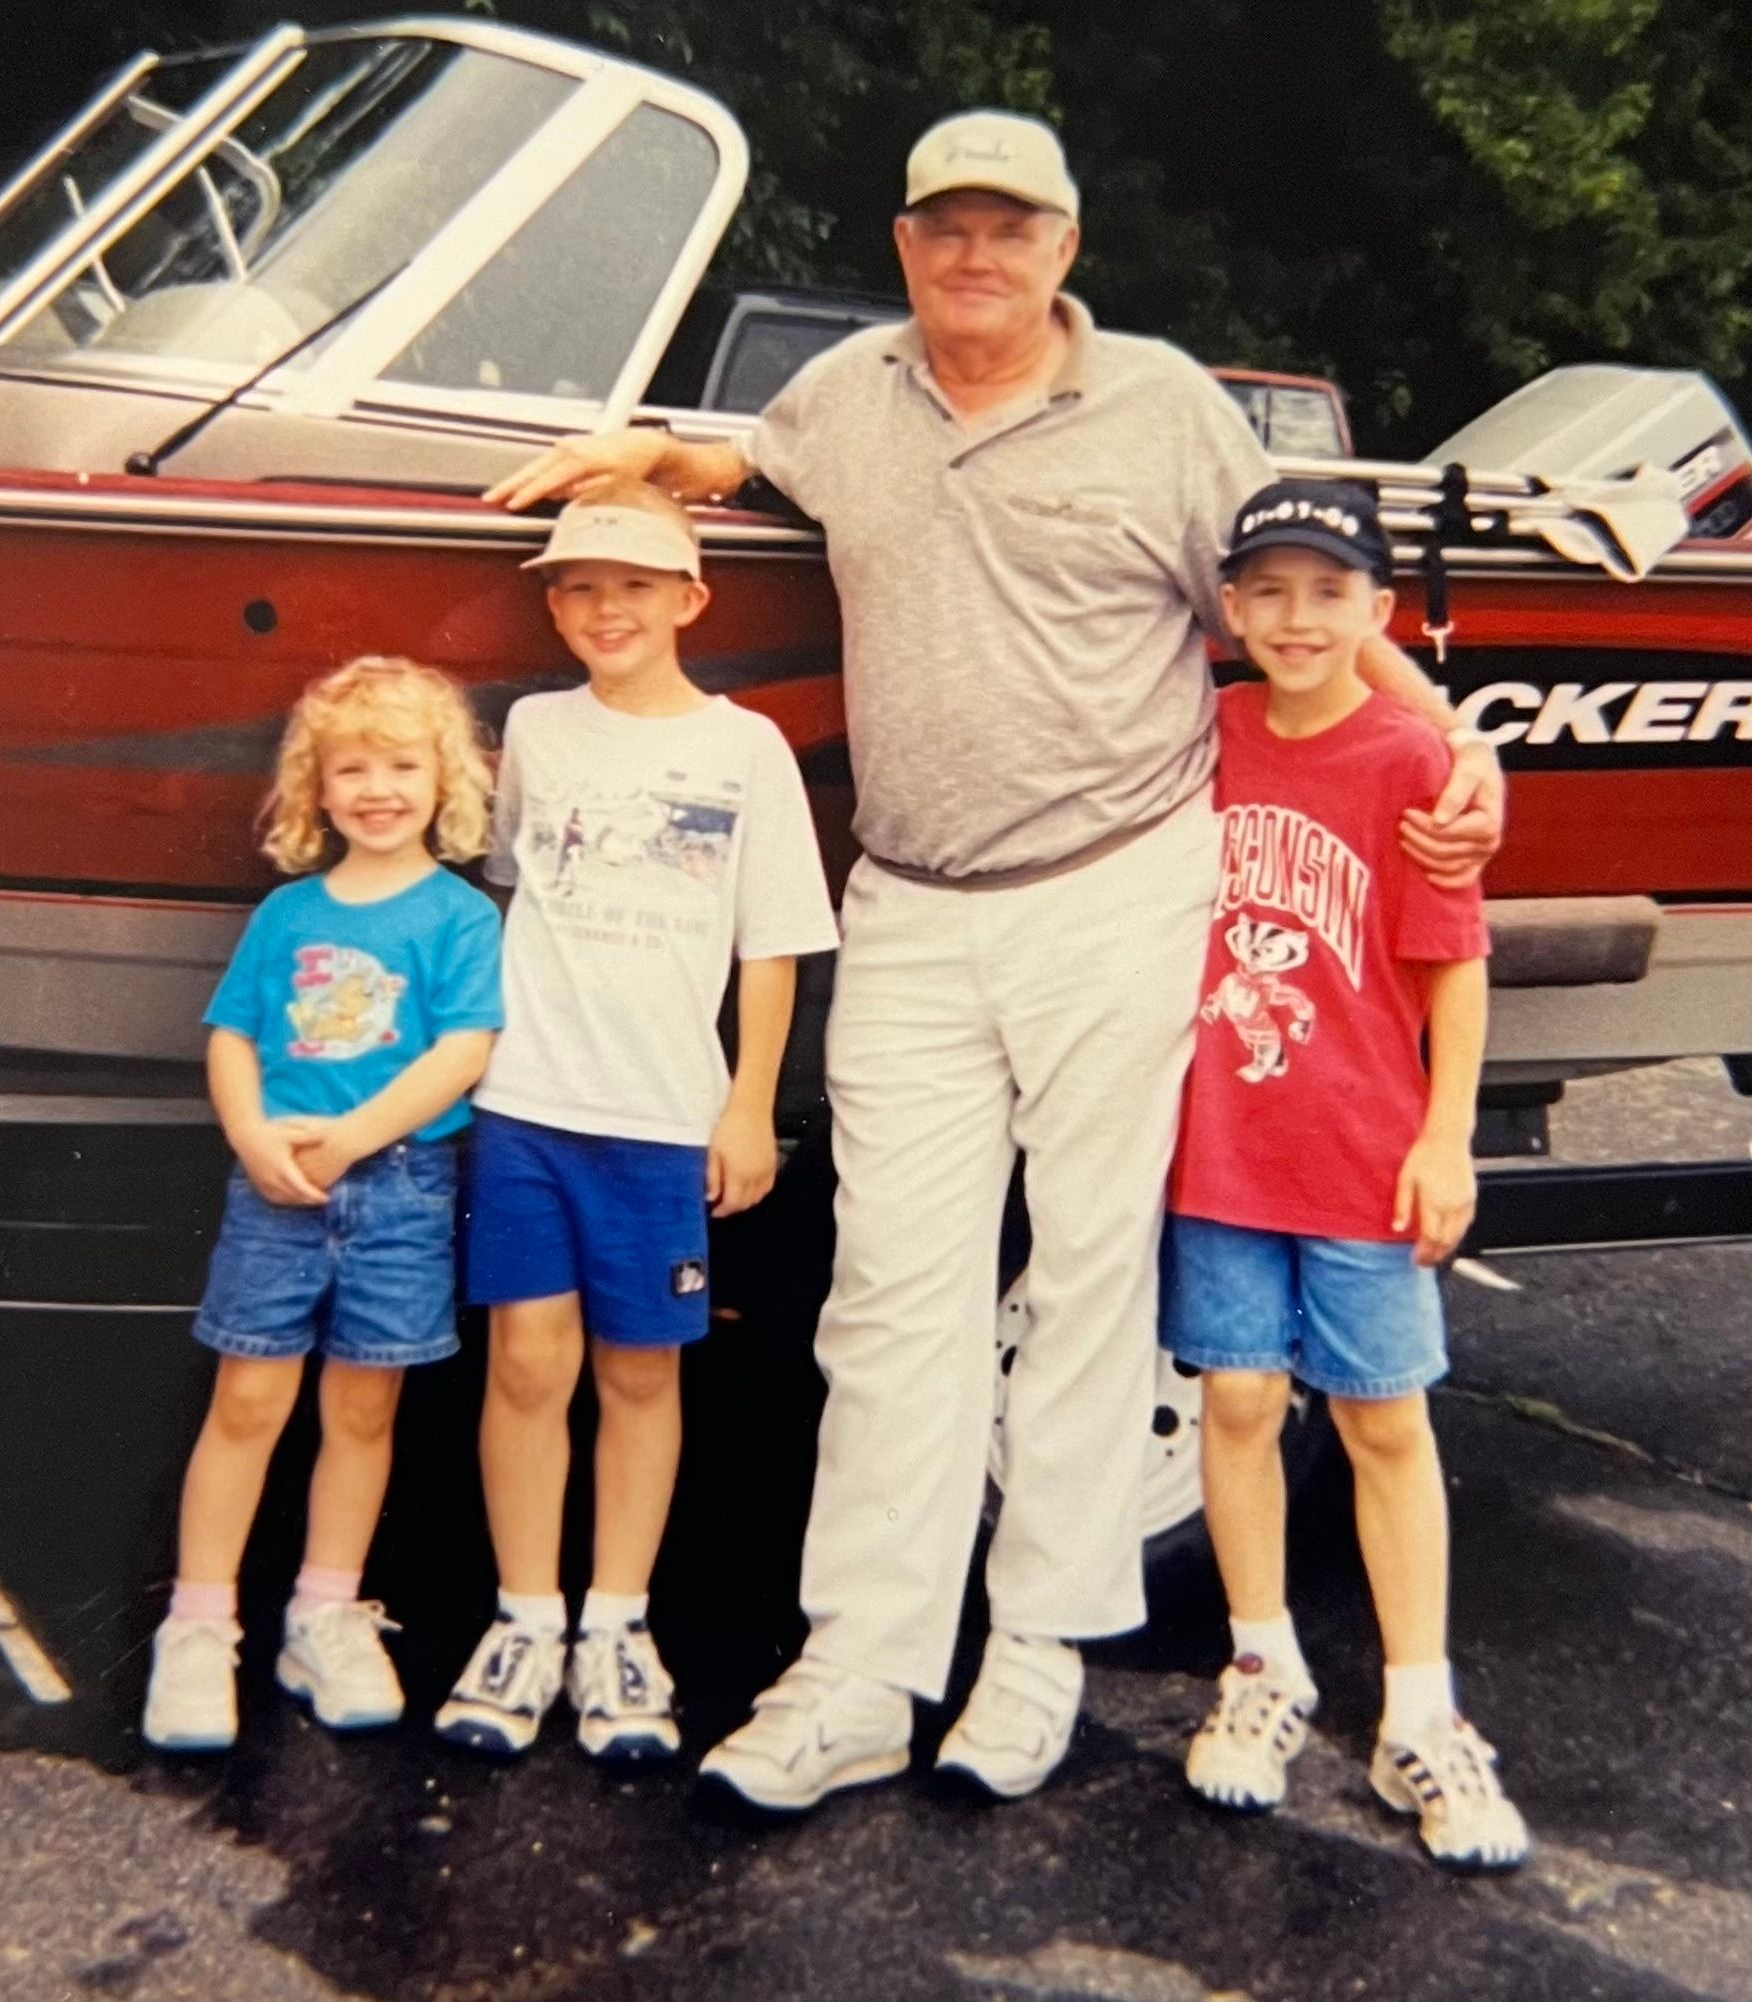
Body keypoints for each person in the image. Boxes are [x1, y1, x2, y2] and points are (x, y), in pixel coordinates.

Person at [484, 113, 1504, 1810]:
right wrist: (646, 461)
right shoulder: (848, 392)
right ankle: (860, 1668)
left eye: (1009, 230)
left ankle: (1036, 1651)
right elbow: (751, 462)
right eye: (945, 228)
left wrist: (1449, 740)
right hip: (909, 900)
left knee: (1089, 1280)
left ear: (1063, 251)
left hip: (1115, 885)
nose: (976, 257)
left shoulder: (1162, 404)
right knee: (886, 1294)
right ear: (902, 246)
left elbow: (1302, 599)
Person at [434, 482, 838, 1761]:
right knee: (523, 1366)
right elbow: (508, 895)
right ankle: (522, 1622)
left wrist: (748, 1107)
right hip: (527, 1106)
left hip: (662, 1118)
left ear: (690, 601)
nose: (606, 608)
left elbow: (771, 948)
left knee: (640, 1368)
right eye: (578, 587)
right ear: (553, 605)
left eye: (634, 585)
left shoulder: (745, 746)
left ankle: (617, 1626)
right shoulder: (538, 731)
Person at [1163, 478, 1528, 1870]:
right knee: (1238, 1395)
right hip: (1219, 1145)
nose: (1296, 617)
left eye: (1330, 593)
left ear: (1376, 614)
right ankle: (1262, 1665)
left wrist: (1446, 1136)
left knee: (1382, 1418)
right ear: (1231, 609)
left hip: (1362, 1148)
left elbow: (1455, 966)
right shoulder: (1204, 735)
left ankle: (1420, 1710)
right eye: (1269, 590)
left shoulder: (1407, 763)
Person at [141, 657, 502, 1753]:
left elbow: (463, 1049)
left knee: (363, 1412)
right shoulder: (288, 912)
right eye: (353, 767)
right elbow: (234, 1036)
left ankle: (325, 1613)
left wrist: (354, 1136)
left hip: (398, 1188)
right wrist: (253, 1135)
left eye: (402, 764)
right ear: (318, 787)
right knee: (247, 1403)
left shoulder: (458, 915)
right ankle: (199, 1626)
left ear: (445, 783)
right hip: (279, 1191)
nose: (378, 787)